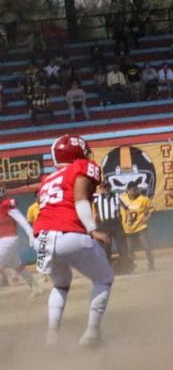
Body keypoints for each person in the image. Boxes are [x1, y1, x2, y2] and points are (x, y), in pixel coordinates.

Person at [33, 135, 113, 347]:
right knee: (104, 279)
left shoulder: (48, 179)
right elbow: (79, 197)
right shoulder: (82, 166)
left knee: (60, 285)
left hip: (42, 237)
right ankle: (92, 334)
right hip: (70, 232)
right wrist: (93, 229)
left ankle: (52, 335)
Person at [0, 186, 39, 297]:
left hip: (9, 239)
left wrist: (30, 233)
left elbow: (21, 219)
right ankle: (35, 286)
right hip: (4, 240)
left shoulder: (7, 205)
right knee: (17, 265)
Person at [118, 181, 156, 272]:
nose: (134, 191)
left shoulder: (143, 199)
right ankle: (131, 267)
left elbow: (152, 208)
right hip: (128, 229)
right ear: (127, 190)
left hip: (140, 227)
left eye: (136, 189)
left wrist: (148, 216)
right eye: (132, 189)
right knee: (130, 250)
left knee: (146, 246)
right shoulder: (122, 199)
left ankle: (151, 264)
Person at [92, 183, 126, 273]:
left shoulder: (117, 196)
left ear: (110, 187)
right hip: (104, 225)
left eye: (107, 187)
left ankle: (125, 267)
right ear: (101, 189)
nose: (106, 189)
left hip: (116, 224)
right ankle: (107, 269)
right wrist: (95, 223)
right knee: (106, 248)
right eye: (104, 187)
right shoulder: (96, 198)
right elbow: (93, 210)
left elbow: (126, 207)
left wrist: (127, 218)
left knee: (121, 246)